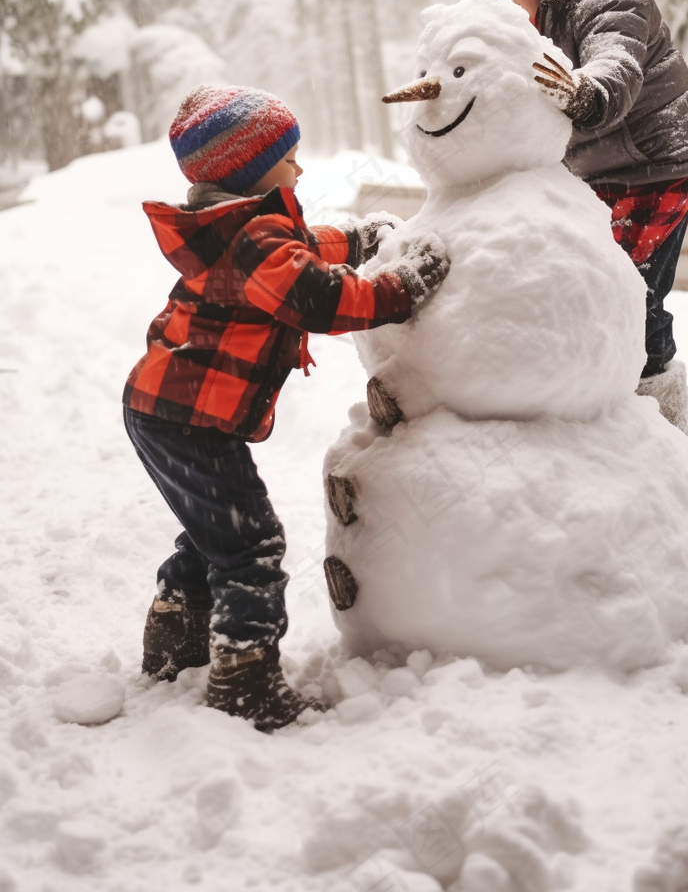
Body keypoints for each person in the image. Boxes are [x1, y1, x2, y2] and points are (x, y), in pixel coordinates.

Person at [123, 83, 449, 730]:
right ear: (248, 170)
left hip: (166, 410)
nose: (299, 168)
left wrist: (355, 239)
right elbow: (317, 298)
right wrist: (398, 289)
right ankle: (245, 679)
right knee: (253, 545)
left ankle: (175, 635)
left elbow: (299, 248)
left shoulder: (236, 226)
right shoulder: (253, 239)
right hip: (188, 419)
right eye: (287, 157)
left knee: (217, 532)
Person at [449, 0, 688, 435]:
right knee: (585, 281)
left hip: (655, 158)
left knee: (628, 292)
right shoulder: (529, 10)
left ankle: (665, 426)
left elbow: (615, 60)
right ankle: (598, 422)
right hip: (595, 161)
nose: (483, 2)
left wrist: (585, 91)